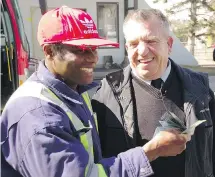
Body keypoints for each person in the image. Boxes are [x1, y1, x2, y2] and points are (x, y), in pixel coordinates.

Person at [0, 6, 190, 177]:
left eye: (94, 47)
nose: (93, 58)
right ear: (49, 51)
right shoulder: (38, 116)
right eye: (82, 49)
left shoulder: (74, 91)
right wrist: (151, 151)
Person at [92, 9, 215, 177]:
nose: (142, 51)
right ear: (127, 47)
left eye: (151, 41)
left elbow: (214, 149)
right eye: (134, 43)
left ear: (169, 45)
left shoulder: (199, 88)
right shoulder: (108, 92)